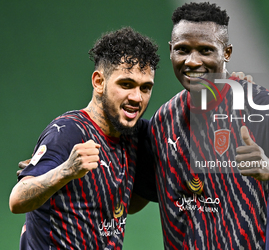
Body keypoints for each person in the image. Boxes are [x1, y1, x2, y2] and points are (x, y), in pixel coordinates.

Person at [134, 2, 269, 250]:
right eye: (182, 49)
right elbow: (138, 199)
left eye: (206, 50)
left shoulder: (261, 107)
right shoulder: (163, 120)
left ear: (227, 53)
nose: (192, 61)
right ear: (170, 50)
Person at [9, 27, 159, 250]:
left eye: (145, 88)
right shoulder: (68, 132)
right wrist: (66, 170)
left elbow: (124, 207)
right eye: (126, 84)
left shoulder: (133, 135)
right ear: (99, 82)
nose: (137, 97)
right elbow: (18, 200)